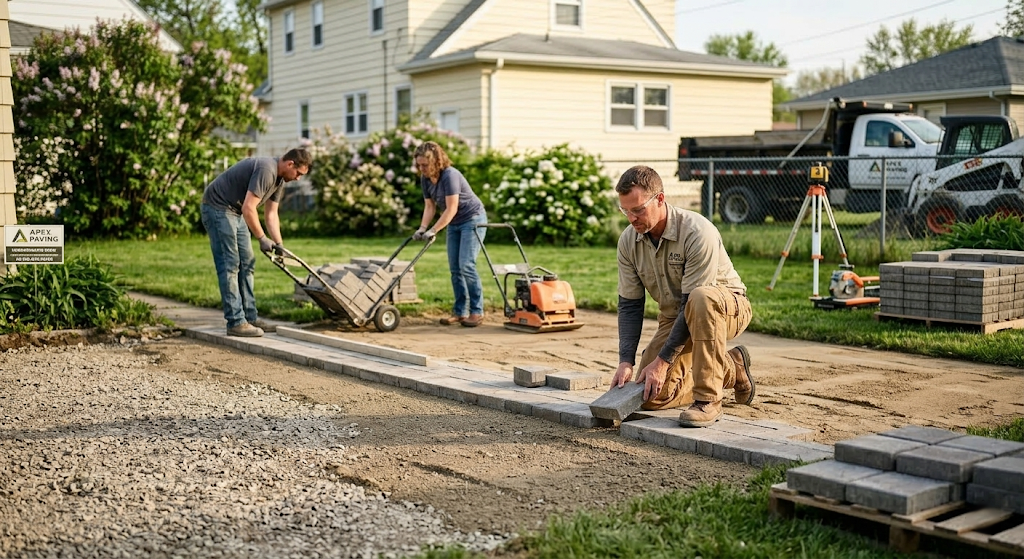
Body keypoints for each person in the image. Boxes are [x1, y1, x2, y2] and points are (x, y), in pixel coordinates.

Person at [610, 165, 755, 427]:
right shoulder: (628, 241)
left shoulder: (697, 232)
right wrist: (626, 361)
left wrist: (663, 362)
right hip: (676, 316)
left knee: (701, 298)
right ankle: (732, 367)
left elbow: (694, 303)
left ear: (660, 199)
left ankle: (708, 400)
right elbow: (630, 305)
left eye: (638, 209)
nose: (631, 218)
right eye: (625, 210)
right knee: (651, 394)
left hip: (725, 307)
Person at [200, 148, 312, 337]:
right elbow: (249, 208)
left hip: (236, 211)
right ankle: (235, 322)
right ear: (290, 164)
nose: (298, 178)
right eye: (299, 174)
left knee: (247, 262)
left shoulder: (279, 179)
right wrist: (261, 238)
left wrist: (279, 244)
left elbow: (271, 214)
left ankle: (250, 317)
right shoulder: (267, 170)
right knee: (230, 264)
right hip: (218, 208)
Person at [411, 141, 488, 327]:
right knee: (455, 269)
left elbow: (451, 208)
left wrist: (434, 230)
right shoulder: (425, 179)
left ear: (436, 161)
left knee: (466, 265)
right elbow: (430, 206)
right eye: (419, 165)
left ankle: (477, 311)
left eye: (425, 165)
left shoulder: (450, 175)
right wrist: (422, 228)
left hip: (473, 219)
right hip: (454, 222)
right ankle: (460, 311)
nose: (421, 169)